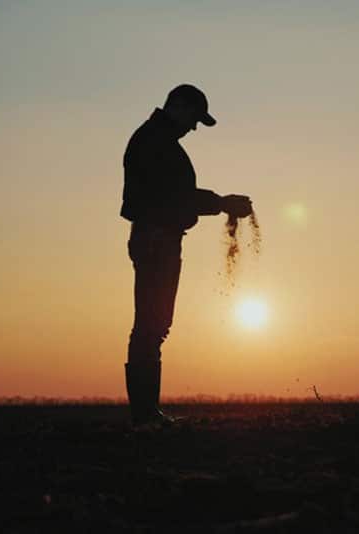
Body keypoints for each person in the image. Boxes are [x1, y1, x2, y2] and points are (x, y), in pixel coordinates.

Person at [121, 84, 252, 424]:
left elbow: (176, 195)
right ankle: (145, 414)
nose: (193, 127)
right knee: (151, 326)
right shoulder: (154, 143)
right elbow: (173, 196)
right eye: (194, 118)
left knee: (154, 325)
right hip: (156, 239)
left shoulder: (159, 142)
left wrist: (219, 203)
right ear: (178, 107)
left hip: (159, 238)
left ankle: (146, 412)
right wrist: (221, 203)